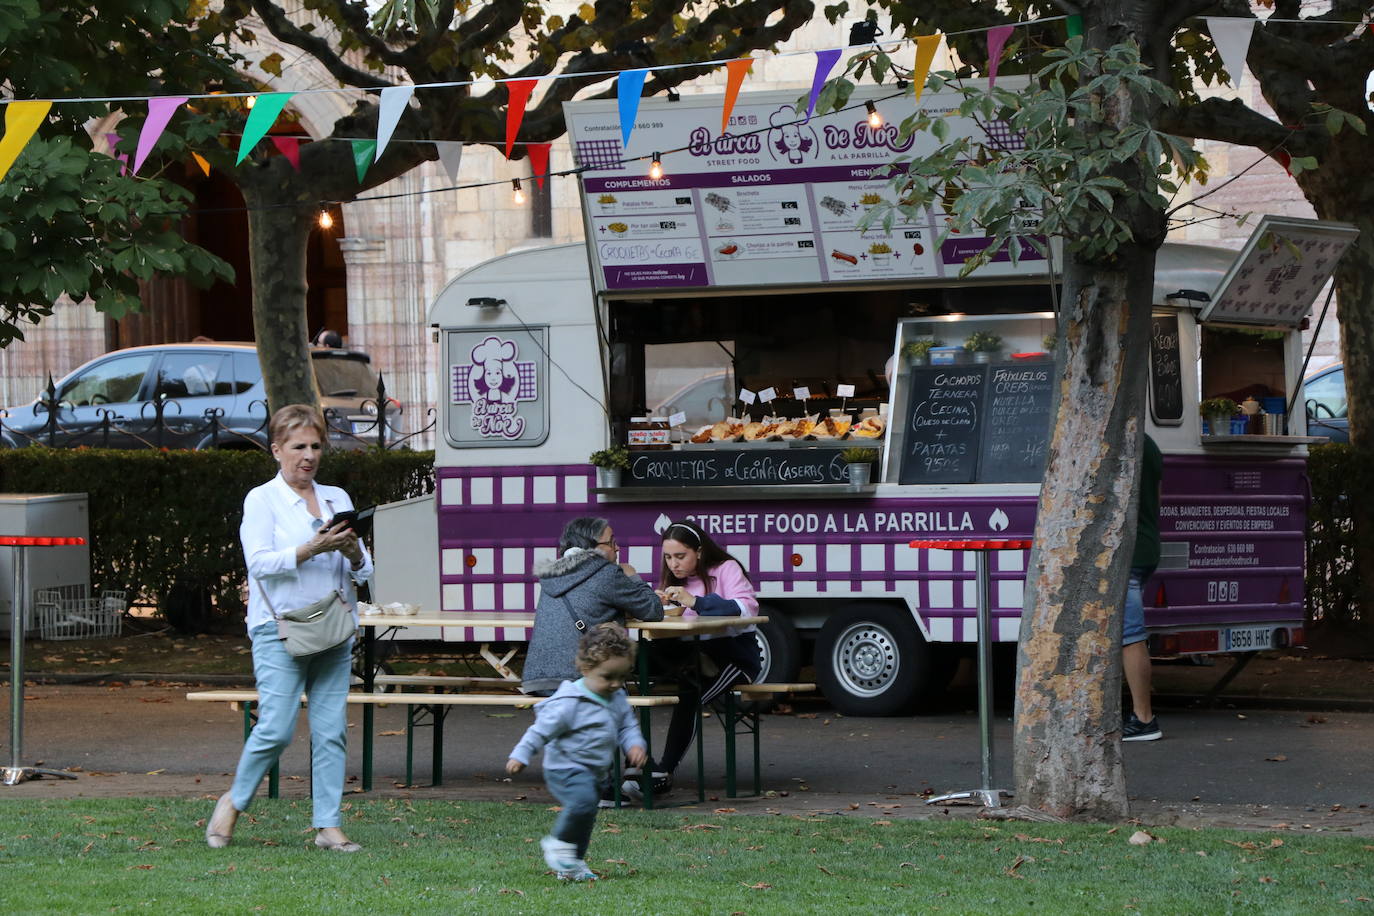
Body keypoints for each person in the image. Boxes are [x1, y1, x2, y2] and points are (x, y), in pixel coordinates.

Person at [204, 404, 373, 852]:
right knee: (276, 729)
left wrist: (354, 553)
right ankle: (233, 803)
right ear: (277, 449)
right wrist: (312, 548)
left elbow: (364, 569)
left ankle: (328, 826)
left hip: (334, 627)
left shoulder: (337, 497)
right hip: (279, 629)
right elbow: (258, 563)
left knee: (331, 730)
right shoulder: (262, 499)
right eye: (298, 447)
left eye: (316, 446)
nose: (308, 456)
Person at [627, 519, 760, 799]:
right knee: (627, 673)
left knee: (691, 695)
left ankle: (663, 772)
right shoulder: (674, 581)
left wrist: (695, 602)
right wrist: (655, 604)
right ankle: (637, 763)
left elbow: (746, 608)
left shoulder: (725, 569)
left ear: (698, 552)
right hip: (690, 653)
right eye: (667, 557)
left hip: (734, 656)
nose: (673, 564)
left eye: (680, 556)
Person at [507, 624, 646, 882]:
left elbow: (627, 725)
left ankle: (572, 865)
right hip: (566, 768)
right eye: (608, 677)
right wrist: (520, 755)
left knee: (586, 817)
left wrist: (635, 745)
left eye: (622, 676)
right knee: (581, 804)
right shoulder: (568, 702)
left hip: (595, 771)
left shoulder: (615, 698)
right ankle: (557, 843)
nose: (616, 684)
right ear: (585, 669)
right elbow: (540, 731)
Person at [521, 516, 663, 696]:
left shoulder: (553, 574)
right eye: (612, 542)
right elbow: (654, 610)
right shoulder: (606, 573)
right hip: (582, 680)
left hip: (536, 680)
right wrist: (633, 575)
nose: (617, 548)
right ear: (593, 546)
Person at [1123, 432, 1163, 742]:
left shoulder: (1117, 439)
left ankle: (1144, 718)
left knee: (1130, 635)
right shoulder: (1148, 444)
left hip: (1125, 551)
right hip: (1147, 545)